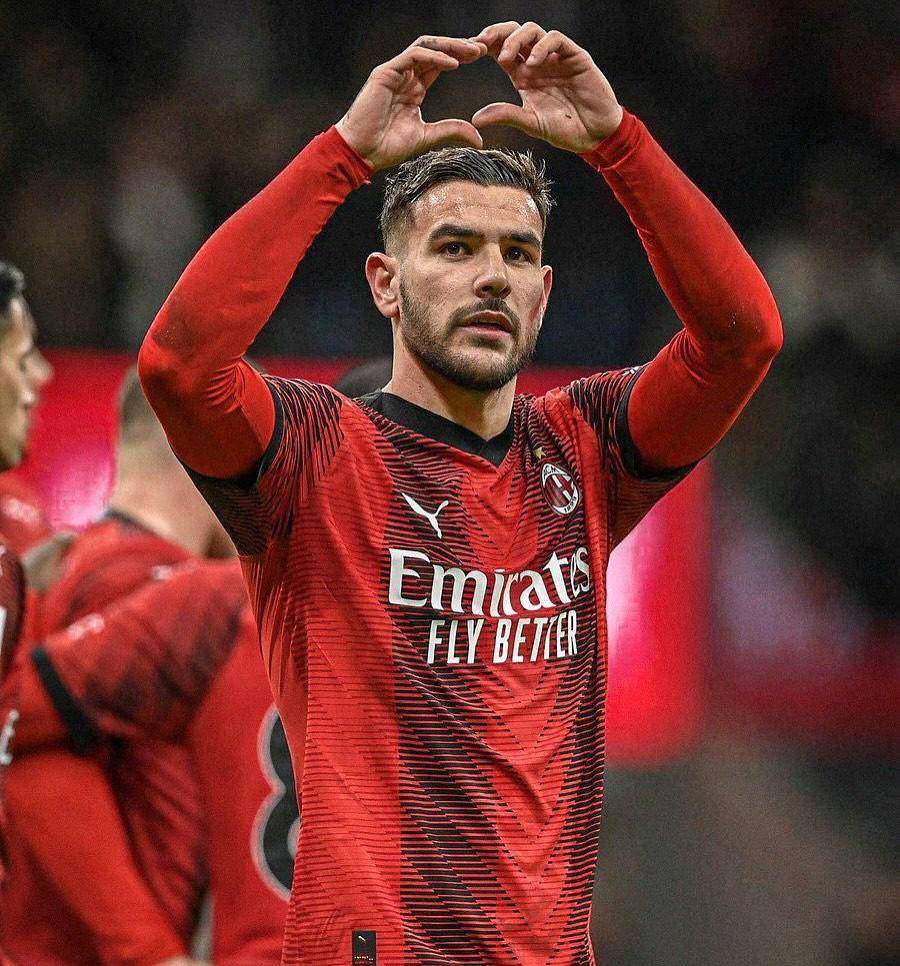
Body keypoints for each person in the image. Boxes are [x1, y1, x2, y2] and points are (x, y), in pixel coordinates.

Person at [138, 21, 782, 965]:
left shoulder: (584, 449)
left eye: (518, 255)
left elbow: (743, 341)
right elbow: (179, 367)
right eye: (454, 247)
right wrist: (341, 156)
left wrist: (620, 144)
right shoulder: (318, 457)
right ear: (385, 284)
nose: (491, 277)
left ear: (544, 293)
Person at [0, 368, 230, 964]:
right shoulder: (156, 587)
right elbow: (24, 749)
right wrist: (151, 953)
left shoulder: (66, 565)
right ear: (211, 450)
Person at [3, 559, 294, 964]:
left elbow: (20, 720)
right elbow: (20, 721)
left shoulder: (227, 599)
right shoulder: (209, 598)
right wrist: (149, 951)